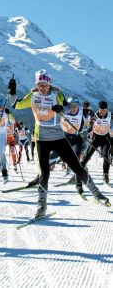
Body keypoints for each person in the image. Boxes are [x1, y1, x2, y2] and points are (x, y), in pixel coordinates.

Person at [9, 69, 110, 217]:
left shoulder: (56, 94)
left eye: (45, 84)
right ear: (36, 84)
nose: (42, 87)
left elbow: (65, 105)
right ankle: (41, 206)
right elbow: (15, 105)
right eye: (39, 84)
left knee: (77, 167)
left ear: (49, 84)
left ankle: (97, 194)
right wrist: (12, 91)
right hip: (41, 139)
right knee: (44, 173)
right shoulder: (32, 96)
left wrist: (60, 108)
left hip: (58, 138)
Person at [78, 101, 112, 186]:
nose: (103, 112)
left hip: (105, 139)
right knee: (87, 155)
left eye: (104, 110)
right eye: (101, 110)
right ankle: (79, 172)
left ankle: (105, 175)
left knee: (106, 156)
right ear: (98, 109)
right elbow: (90, 127)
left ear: (107, 109)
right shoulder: (95, 116)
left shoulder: (109, 115)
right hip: (96, 139)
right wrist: (85, 132)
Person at [60, 95, 86, 194]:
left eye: (75, 105)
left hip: (76, 138)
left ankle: (78, 185)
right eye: (71, 106)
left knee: (77, 162)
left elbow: (85, 123)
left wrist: (83, 131)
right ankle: (41, 179)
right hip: (65, 137)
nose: (74, 108)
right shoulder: (63, 112)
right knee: (52, 156)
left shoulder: (81, 111)